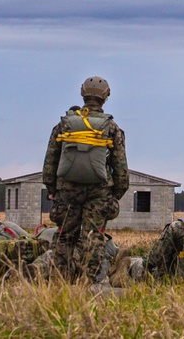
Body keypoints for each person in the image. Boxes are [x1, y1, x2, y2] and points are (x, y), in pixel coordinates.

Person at [41, 76, 129, 282]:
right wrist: (113, 194)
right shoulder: (112, 128)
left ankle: (58, 282)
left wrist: (53, 190)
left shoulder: (64, 125)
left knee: (64, 237)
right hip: (99, 193)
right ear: (105, 97)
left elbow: (49, 163)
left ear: (83, 94)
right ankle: (87, 283)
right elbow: (121, 169)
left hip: (67, 192)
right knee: (93, 238)